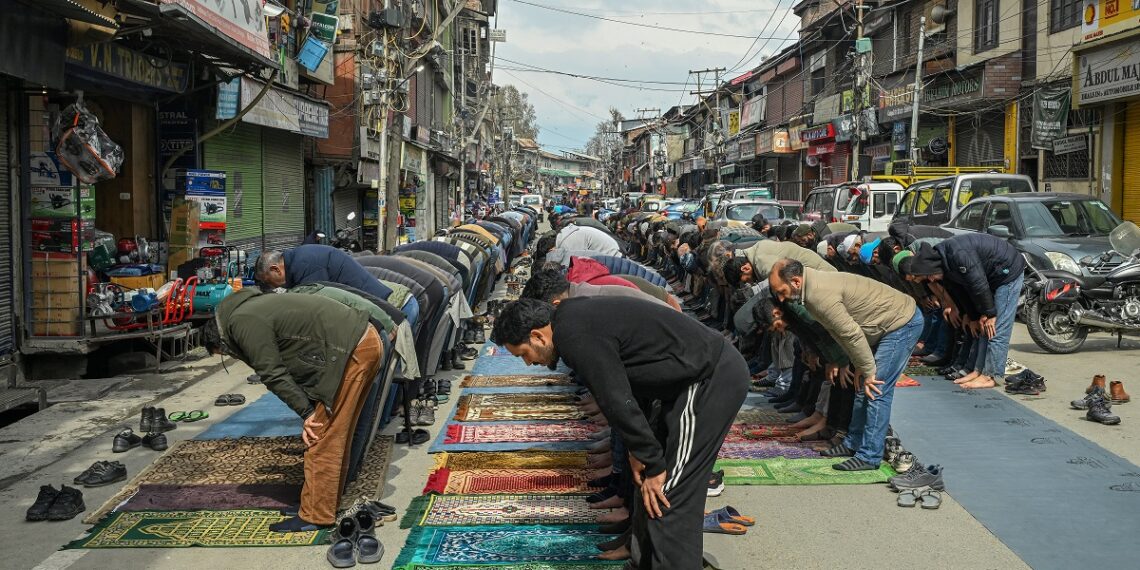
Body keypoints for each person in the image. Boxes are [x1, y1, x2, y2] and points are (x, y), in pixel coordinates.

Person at [492, 298, 748, 569]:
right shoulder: (572, 321)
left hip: (709, 379)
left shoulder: (573, 334)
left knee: (668, 492)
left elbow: (615, 397)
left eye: (523, 354)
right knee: (648, 486)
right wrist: (638, 450)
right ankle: (643, 561)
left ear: (537, 336)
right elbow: (626, 386)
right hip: (681, 384)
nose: (528, 363)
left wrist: (650, 458)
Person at [203, 289, 383, 532]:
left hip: (351, 352)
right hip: (361, 343)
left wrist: (307, 413)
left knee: (322, 438)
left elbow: (273, 372)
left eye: (223, 353)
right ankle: (321, 504)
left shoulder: (242, 322)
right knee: (336, 435)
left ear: (220, 341)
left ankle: (316, 515)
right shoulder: (251, 308)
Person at [769, 259, 923, 471]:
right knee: (861, 387)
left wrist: (868, 370)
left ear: (796, 281)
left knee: (875, 389)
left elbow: (850, 334)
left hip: (900, 323)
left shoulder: (818, 294)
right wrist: (857, 362)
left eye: (781, 291)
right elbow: (837, 333)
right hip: (879, 327)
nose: (780, 298)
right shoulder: (809, 292)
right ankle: (853, 443)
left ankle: (869, 456)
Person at [903, 234, 1026, 389]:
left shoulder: (958, 255)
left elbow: (978, 284)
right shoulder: (945, 265)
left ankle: (989, 376)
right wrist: (972, 316)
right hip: (990, 278)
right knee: (982, 327)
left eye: (929, 276)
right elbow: (961, 291)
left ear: (932, 268)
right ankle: (978, 371)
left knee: (996, 328)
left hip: (1007, 272)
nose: (932, 280)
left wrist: (991, 314)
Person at [255, 245, 393, 301]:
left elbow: (319, 305)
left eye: (268, 281)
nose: (272, 287)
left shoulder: (304, 266)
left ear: (275, 269)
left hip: (386, 305)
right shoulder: (299, 260)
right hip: (379, 301)